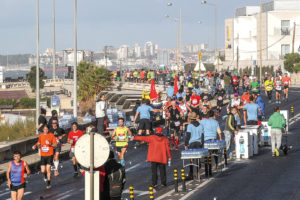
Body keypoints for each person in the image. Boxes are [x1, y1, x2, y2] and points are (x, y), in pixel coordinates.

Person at [184, 112, 204, 179]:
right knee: (198, 159)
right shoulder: (201, 125)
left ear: (190, 118)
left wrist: (186, 144)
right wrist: (202, 144)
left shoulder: (189, 126)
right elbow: (202, 136)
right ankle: (198, 173)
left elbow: (188, 136)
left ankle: (191, 173)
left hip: (191, 143)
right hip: (198, 143)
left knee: (191, 159)